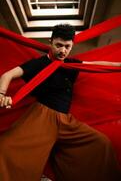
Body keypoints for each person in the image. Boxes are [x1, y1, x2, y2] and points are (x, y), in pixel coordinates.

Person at [0, 24, 121, 181]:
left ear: (72, 46)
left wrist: (119, 66)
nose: (63, 50)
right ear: (51, 42)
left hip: (66, 122)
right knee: (6, 149)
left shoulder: (71, 64)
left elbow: (97, 65)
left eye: (67, 46)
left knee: (101, 143)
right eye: (58, 45)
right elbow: (7, 75)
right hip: (42, 117)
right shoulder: (39, 64)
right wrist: (1, 94)